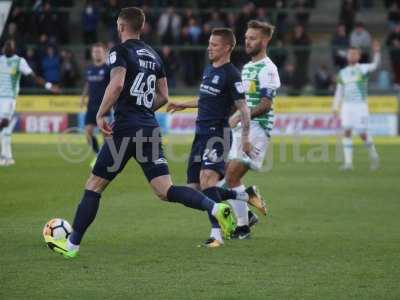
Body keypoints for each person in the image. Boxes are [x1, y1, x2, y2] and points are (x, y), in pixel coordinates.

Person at [44, 7, 235, 259]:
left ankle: (72, 246)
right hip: (149, 127)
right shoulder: (154, 55)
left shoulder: (119, 51)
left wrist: (102, 114)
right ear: (141, 27)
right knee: (165, 190)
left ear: (122, 27)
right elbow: (164, 96)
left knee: (94, 185)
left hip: (124, 129)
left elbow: (118, 83)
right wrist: (143, 109)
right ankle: (214, 206)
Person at [167, 28, 266, 248]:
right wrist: (182, 104)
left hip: (218, 134)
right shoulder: (209, 70)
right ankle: (244, 196)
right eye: (209, 44)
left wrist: (246, 139)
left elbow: (244, 109)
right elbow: (205, 98)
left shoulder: (232, 75)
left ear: (227, 47)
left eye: (214, 45)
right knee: (195, 190)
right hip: (200, 134)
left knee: (207, 180)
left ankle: (216, 235)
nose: (209, 48)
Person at [224, 20, 281, 239]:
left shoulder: (268, 68)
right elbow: (242, 101)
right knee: (228, 178)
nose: (247, 41)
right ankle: (247, 212)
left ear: (265, 40)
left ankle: (243, 226)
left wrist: (240, 116)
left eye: (253, 38)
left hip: (258, 129)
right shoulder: (247, 68)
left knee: (229, 177)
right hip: (243, 128)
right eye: (246, 37)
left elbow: (265, 104)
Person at [0, 40, 59, 166]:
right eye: (5, 45)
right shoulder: (0, 59)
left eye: (9, 46)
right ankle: (6, 157)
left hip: (9, 98)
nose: (6, 48)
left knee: (4, 124)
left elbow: (33, 76)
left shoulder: (19, 61)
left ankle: (6, 157)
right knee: (5, 130)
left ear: (14, 49)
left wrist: (48, 86)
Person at [332, 42, 381, 171]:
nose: (352, 56)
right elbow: (339, 92)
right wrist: (335, 107)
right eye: (350, 54)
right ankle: (348, 163)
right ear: (347, 56)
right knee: (346, 132)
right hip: (347, 107)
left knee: (362, 133)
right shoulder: (342, 72)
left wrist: (376, 53)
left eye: (355, 54)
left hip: (360, 106)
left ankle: (374, 156)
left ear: (359, 56)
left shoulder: (363, 68)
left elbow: (375, 65)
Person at [80, 43, 110, 167]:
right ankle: (99, 155)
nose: (96, 54)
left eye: (99, 51)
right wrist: (83, 97)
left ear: (104, 53)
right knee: (88, 133)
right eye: (94, 52)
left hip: (104, 106)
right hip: (91, 105)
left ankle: (108, 157)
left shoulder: (108, 69)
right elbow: (88, 84)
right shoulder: (89, 69)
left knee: (105, 134)